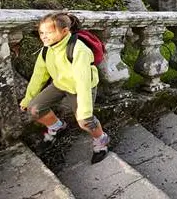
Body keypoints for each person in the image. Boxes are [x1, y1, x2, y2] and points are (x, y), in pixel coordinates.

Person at [19, 12, 110, 164]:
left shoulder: (78, 50)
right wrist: (28, 98)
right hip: (60, 83)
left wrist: (85, 112)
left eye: (49, 32)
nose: (44, 36)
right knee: (34, 109)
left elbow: (83, 82)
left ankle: (101, 140)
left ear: (65, 31)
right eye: (42, 32)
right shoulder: (47, 49)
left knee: (85, 121)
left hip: (80, 86)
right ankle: (57, 127)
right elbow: (38, 76)